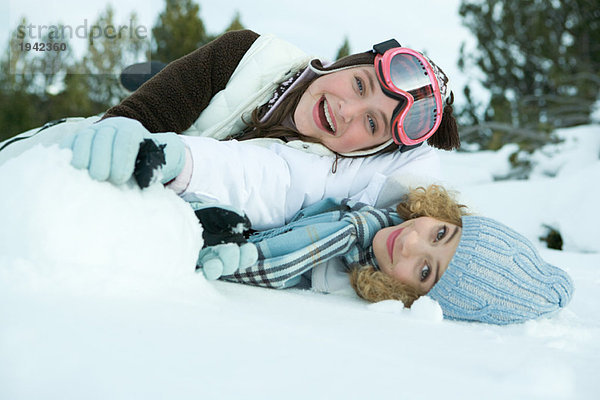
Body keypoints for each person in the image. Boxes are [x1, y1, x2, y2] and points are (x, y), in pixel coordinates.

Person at [0, 29, 459, 230]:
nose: (348, 110)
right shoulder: (244, 56)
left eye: (373, 123)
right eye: (359, 84)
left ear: (374, 148)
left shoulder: (330, 186)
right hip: (51, 162)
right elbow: (127, 128)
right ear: (347, 62)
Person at [197, 185, 574, 325]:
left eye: (426, 270)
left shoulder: (331, 279)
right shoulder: (379, 191)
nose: (411, 243)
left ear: (417, 298)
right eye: (439, 233)